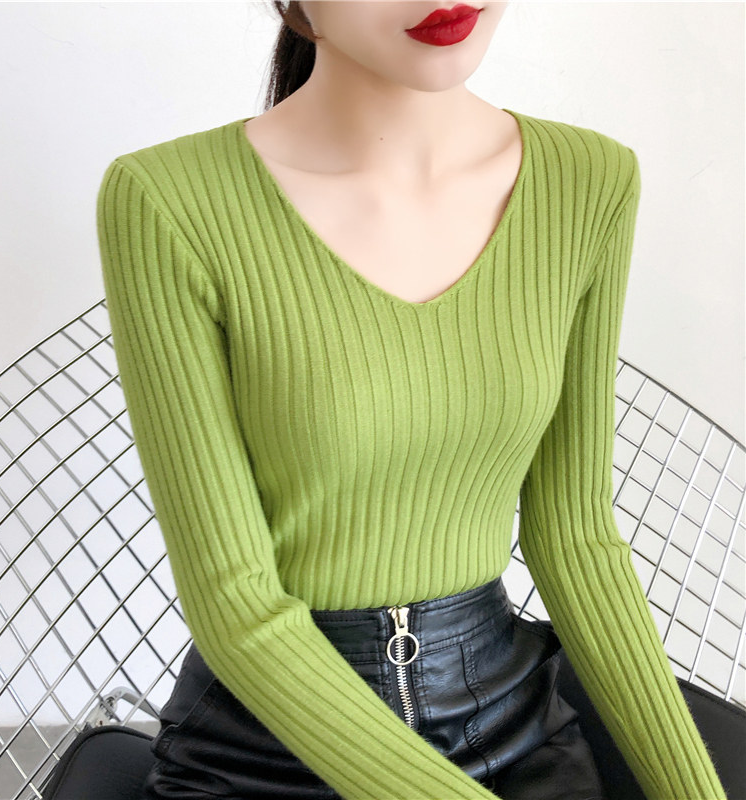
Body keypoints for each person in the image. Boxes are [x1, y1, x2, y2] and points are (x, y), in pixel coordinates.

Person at [95, 2, 729, 798]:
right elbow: (235, 604)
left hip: (512, 731)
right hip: (264, 755)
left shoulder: (588, 182)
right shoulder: (167, 202)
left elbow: (577, 540)